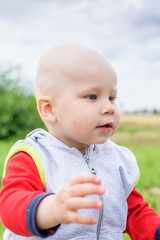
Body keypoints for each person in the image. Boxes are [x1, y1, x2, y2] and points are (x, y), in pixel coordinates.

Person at [0, 44, 160, 240]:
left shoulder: (117, 159)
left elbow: (133, 211)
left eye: (112, 97)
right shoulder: (34, 156)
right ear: (49, 109)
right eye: (92, 96)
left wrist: (155, 231)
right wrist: (50, 209)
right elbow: (10, 207)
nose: (109, 107)